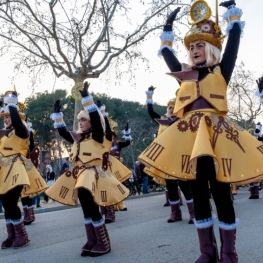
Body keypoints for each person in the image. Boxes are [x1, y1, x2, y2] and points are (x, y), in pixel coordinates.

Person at [138, 1, 263, 261]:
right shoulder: (183, 75)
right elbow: (167, 52)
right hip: (190, 140)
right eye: (191, 46)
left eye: (199, 45)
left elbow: (233, 45)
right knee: (199, 194)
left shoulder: (221, 72)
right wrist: (168, 28)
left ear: (211, 49)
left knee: (220, 193)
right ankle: (208, 251)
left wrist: (232, 15)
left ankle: (229, 252)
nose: (194, 50)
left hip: (218, 139)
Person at [45, 82, 129, 257]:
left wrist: (86, 99)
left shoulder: (98, 136)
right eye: (79, 120)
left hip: (93, 174)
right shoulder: (78, 139)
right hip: (79, 173)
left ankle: (103, 242)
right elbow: (62, 133)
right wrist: (57, 116)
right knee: (85, 207)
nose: (81, 122)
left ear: (90, 122)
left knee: (89, 204)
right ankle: (92, 239)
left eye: (84, 120)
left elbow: (98, 122)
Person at [0, 91, 47, 249]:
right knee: (7, 204)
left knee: (11, 202)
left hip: (17, 169)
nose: (6, 119)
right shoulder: (4, 135)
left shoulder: (22, 131)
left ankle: (22, 235)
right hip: (3, 171)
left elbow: (16, 119)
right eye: (4, 117)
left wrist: (11, 103)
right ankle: (11, 235)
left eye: (8, 116)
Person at [144, 86, 194, 224]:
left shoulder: (184, 121)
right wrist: (149, 96)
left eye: (174, 107)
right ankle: (175, 213)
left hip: (180, 158)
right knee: (171, 186)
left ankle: (193, 213)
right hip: (167, 159)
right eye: (169, 107)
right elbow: (150, 111)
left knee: (185, 185)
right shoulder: (162, 120)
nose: (171, 109)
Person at [97, 102, 131, 223]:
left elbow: (127, 143)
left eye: (113, 134)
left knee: (115, 187)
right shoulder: (100, 142)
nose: (111, 136)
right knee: (103, 189)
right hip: (103, 167)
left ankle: (117, 207)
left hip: (115, 168)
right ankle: (105, 211)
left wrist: (127, 133)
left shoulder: (117, 144)